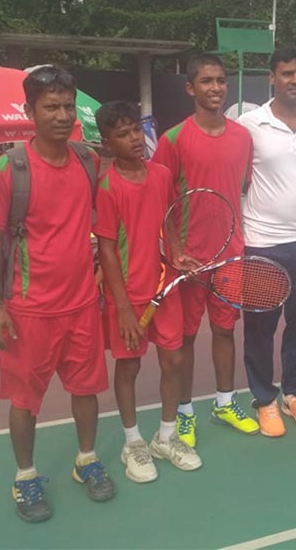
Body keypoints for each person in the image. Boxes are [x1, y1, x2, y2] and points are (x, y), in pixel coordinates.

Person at [0, 66, 115, 523]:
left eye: (67, 106)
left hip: (81, 306)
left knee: (86, 390)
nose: (61, 115)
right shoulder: (6, 170)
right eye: (50, 106)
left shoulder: (87, 161)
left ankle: (86, 460)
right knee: (24, 400)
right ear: (29, 111)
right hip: (28, 309)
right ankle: (26, 476)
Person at [152, 54, 259, 447]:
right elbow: (160, 204)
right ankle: (183, 413)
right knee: (183, 339)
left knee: (225, 330)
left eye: (221, 80)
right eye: (207, 81)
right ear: (191, 88)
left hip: (230, 255)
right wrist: (177, 251)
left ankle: (225, 402)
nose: (216, 88)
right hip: (187, 261)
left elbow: (241, 187)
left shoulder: (243, 138)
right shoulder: (173, 140)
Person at [93, 101, 202, 484]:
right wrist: (121, 307)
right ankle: (132, 441)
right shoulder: (107, 187)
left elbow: (167, 221)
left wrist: (178, 253)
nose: (134, 139)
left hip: (165, 288)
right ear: (107, 144)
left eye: (136, 129)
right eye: (122, 134)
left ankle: (166, 437)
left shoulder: (160, 174)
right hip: (129, 296)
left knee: (173, 361)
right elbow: (106, 248)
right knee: (130, 366)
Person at [236, 46, 296, 438]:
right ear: (272, 77)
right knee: (260, 327)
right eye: (287, 73)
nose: (295, 80)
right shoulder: (248, 123)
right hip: (260, 241)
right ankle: (264, 399)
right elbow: (237, 178)